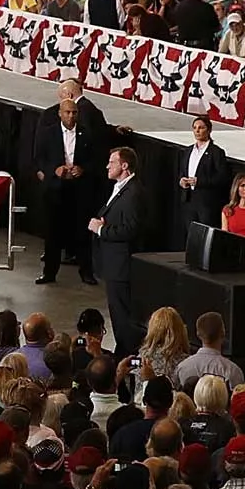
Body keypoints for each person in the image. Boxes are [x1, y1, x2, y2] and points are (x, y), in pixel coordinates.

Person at [24, 92, 101, 285]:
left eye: (74, 112)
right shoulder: (48, 133)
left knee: (82, 233)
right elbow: (39, 159)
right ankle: (49, 273)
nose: (71, 116)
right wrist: (54, 170)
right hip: (55, 190)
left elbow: (96, 161)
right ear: (59, 113)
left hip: (79, 190)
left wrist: (82, 169)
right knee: (52, 233)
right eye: (67, 112)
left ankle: (86, 272)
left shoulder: (86, 133)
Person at [89, 146, 144, 355]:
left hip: (121, 266)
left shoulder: (133, 193)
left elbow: (131, 229)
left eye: (111, 162)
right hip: (113, 264)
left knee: (123, 316)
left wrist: (102, 229)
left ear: (124, 165)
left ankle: (127, 355)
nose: (107, 166)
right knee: (117, 313)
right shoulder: (121, 188)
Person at [175, 115, 231, 230]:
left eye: (201, 127)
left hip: (206, 203)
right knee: (191, 234)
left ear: (209, 130)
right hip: (189, 200)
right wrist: (181, 180)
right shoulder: (188, 150)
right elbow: (182, 171)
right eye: (195, 128)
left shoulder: (216, 152)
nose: (197, 130)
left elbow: (222, 178)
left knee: (205, 234)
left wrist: (199, 182)